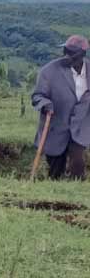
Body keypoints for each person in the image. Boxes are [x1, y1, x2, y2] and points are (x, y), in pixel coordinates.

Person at [31, 35, 90, 180]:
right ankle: (54, 189)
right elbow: (37, 96)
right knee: (56, 166)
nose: (66, 55)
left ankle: (76, 189)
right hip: (56, 125)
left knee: (77, 161)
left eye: (71, 53)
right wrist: (45, 104)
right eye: (65, 51)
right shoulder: (49, 71)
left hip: (81, 125)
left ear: (82, 54)